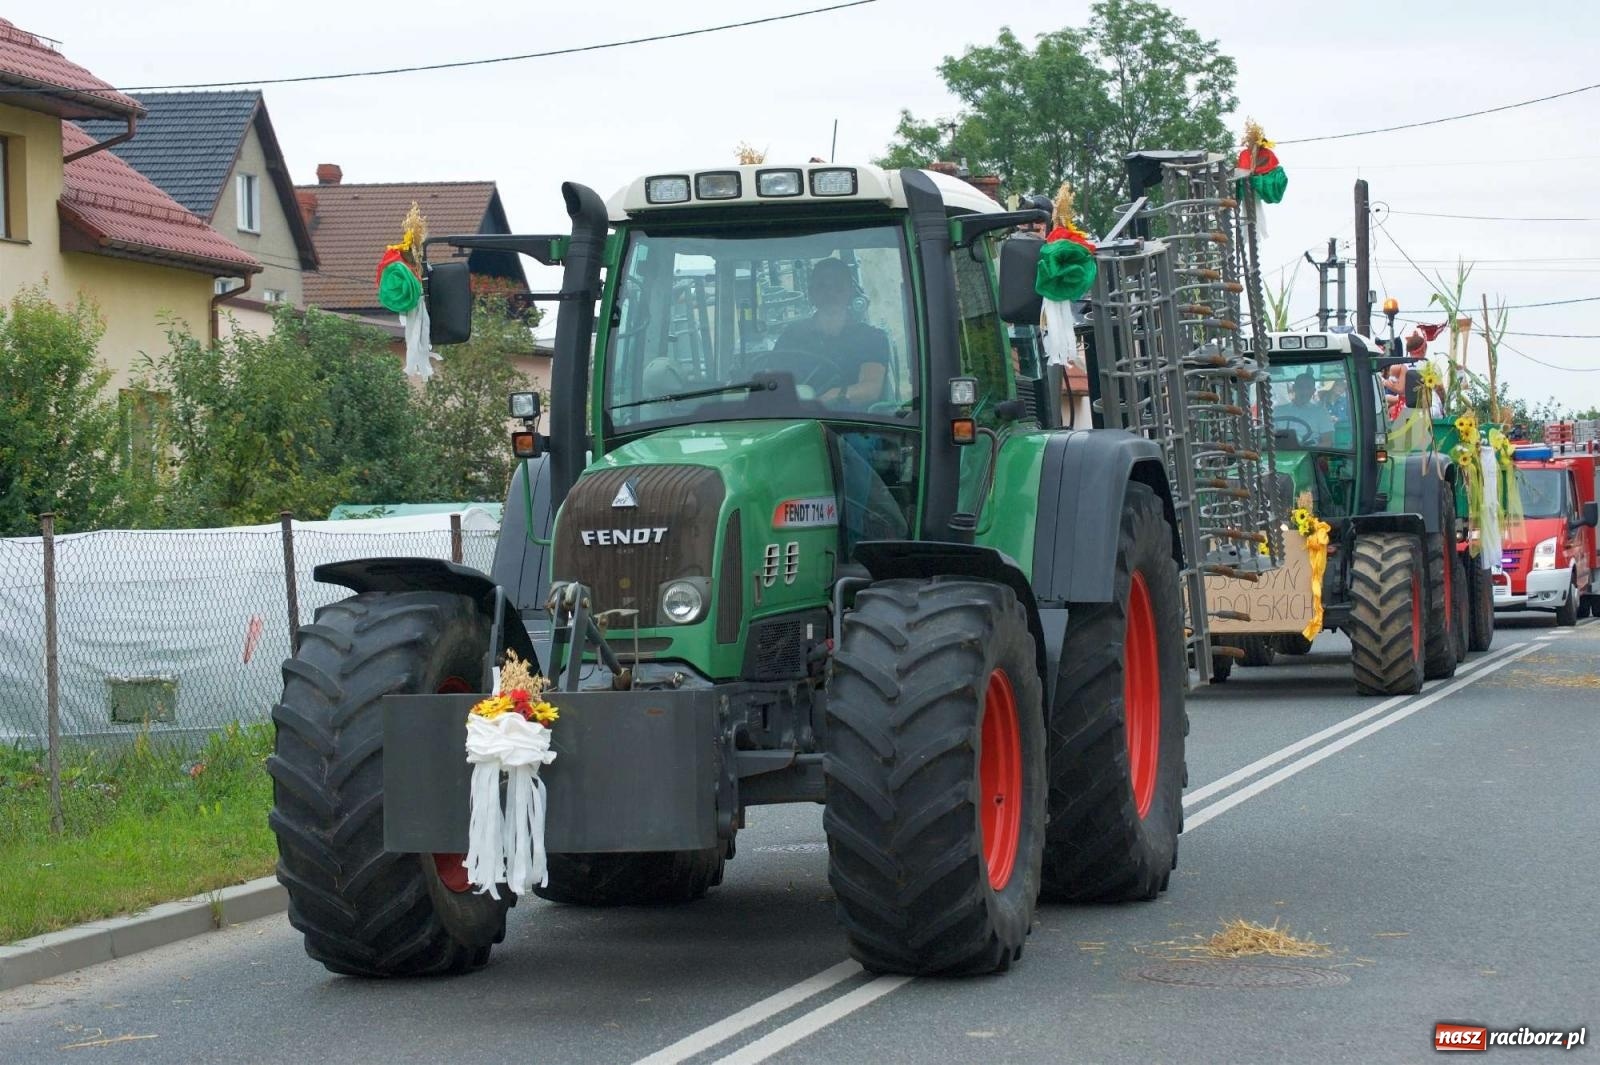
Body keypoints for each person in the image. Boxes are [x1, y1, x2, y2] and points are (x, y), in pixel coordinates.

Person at [779, 257, 889, 405]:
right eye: (822, 286)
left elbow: (870, 388)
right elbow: (772, 382)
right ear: (811, 293)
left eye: (838, 286)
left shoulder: (872, 338)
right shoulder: (791, 335)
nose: (830, 292)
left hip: (855, 423)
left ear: (850, 291)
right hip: (795, 420)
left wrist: (830, 397)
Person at [1277, 372, 1336, 445]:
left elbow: (1328, 441)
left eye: (1308, 387)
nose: (1304, 391)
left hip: (1310, 452)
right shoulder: (1278, 411)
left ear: (1313, 391)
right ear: (1294, 388)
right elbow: (1268, 437)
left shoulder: (1321, 412)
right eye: (1300, 387)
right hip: (1281, 452)